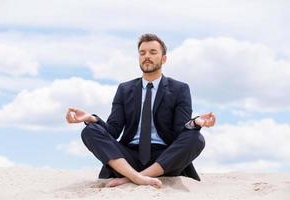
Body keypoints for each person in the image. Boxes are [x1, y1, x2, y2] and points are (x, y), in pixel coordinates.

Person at [66, 33, 216, 188]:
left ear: (163, 59)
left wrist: (196, 122)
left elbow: (180, 131)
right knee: (90, 131)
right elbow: (114, 130)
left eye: (153, 52)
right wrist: (92, 119)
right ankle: (135, 176)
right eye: (142, 53)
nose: (147, 56)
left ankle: (133, 178)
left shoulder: (180, 89)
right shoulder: (124, 89)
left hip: (164, 158)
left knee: (196, 138)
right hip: (127, 157)